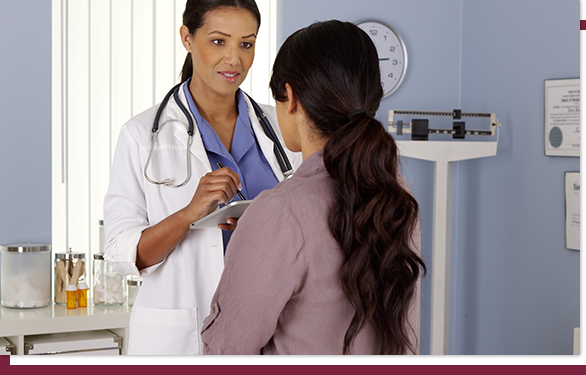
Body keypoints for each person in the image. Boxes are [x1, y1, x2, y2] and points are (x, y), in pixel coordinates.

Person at [201, 20, 426, 355]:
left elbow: (224, 350)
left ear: (290, 97)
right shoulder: (396, 194)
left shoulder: (280, 211)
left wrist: (262, 233)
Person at [103, 0, 301, 355]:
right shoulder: (141, 135)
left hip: (272, 327)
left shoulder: (281, 125)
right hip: (183, 336)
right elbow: (123, 255)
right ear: (187, 38)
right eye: (218, 41)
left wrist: (262, 230)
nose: (234, 60)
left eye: (246, 43)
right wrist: (189, 214)